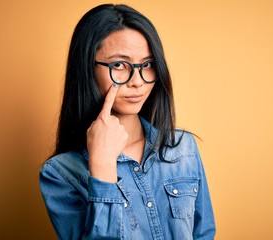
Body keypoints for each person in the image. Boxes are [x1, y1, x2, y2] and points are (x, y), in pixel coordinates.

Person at [39, 3, 215, 240]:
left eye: (147, 64)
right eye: (119, 65)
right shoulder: (60, 174)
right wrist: (102, 167)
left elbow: (204, 233)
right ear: (87, 69)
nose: (137, 81)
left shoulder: (182, 147)